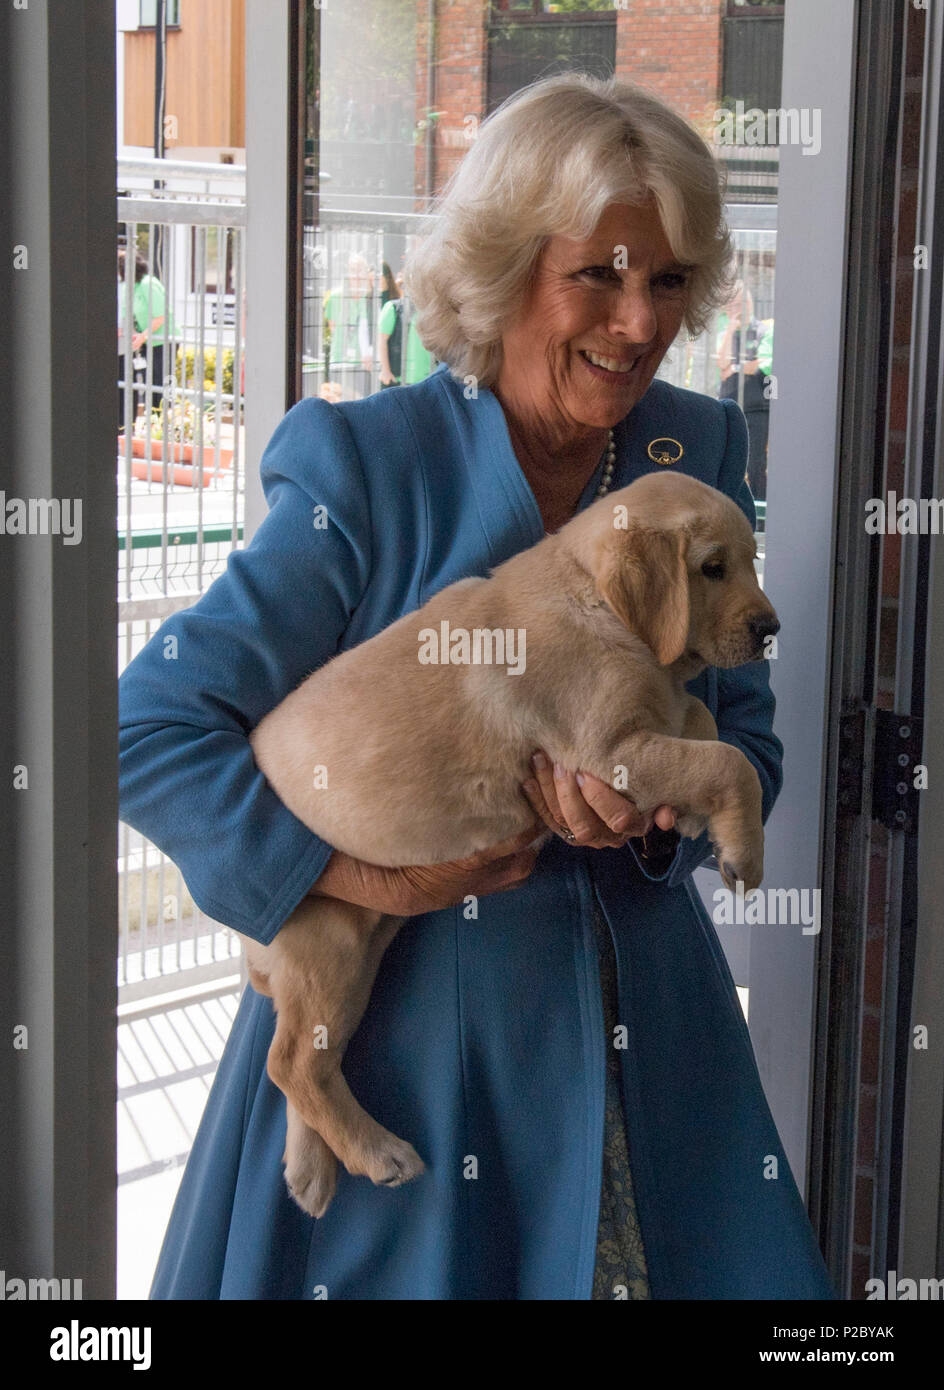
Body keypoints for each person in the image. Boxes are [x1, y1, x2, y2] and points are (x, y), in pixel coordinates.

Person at [118, 73, 836, 1300]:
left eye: (667, 280)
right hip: (403, 1055)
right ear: (507, 271)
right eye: (597, 274)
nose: (636, 319)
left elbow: (746, 744)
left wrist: (661, 816)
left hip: (643, 1043)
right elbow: (149, 726)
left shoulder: (697, 453)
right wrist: (358, 877)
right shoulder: (366, 463)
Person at [717, 282, 774, 501]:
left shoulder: (763, 331)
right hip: (729, 406)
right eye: (730, 306)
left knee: (755, 464)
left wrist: (736, 368)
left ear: (748, 303)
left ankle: (759, 511)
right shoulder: (727, 332)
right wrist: (731, 328)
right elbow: (722, 364)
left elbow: (762, 364)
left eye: (736, 304)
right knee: (728, 462)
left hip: (757, 409)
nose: (734, 310)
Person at [117, 248, 175, 424]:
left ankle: (163, 424)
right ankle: (152, 423)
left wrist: (143, 336)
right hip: (147, 341)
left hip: (162, 340)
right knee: (149, 384)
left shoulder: (148, 284)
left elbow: (160, 316)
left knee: (161, 383)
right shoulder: (130, 287)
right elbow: (129, 315)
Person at [321, 252, 374, 398]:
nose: (356, 275)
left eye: (360, 270)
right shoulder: (335, 296)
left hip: (363, 364)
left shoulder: (369, 298)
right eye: (353, 270)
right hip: (340, 360)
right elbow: (332, 327)